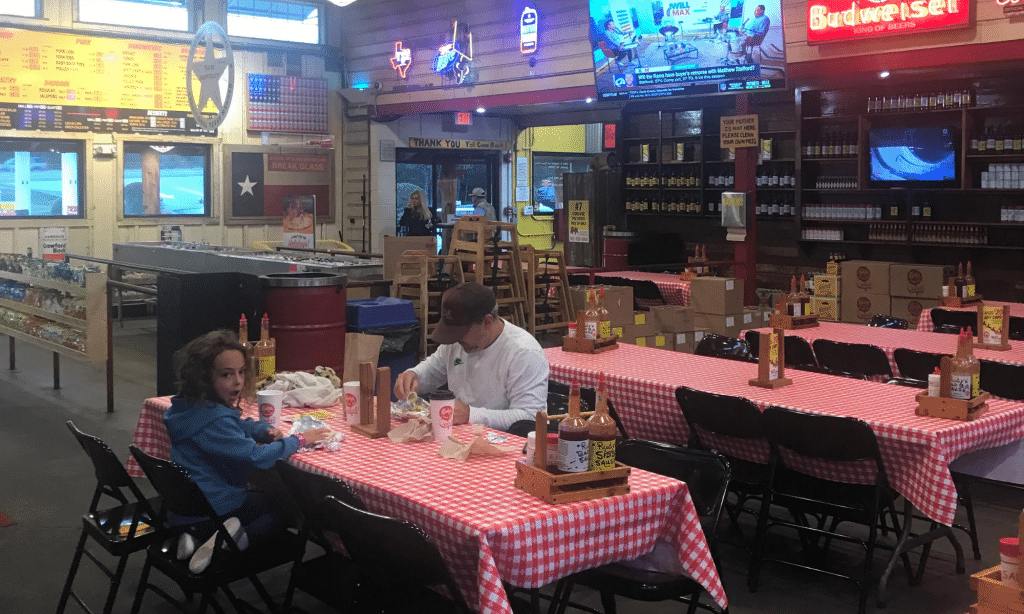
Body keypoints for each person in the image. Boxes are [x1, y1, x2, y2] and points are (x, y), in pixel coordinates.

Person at [163, 330, 331, 574]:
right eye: (226, 375)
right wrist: (300, 439)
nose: (238, 381)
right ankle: (224, 541)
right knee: (286, 509)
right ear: (203, 378)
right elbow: (257, 457)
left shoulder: (187, 408)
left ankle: (194, 536)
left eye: (242, 372)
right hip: (214, 504)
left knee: (263, 501)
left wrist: (262, 431)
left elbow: (234, 423)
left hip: (184, 508)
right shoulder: (213, 421)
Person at [393, 282, 548, 432]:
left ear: (487, 321)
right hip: (459, 435)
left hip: (504, 445)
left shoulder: (524, 353)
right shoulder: (456, 342)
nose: (456, 340)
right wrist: (414, 376)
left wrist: (470, 414)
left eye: (462, 332)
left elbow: (530, 418)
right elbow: (433, 371)